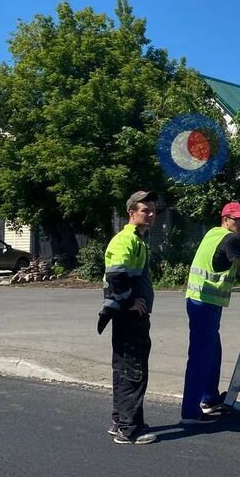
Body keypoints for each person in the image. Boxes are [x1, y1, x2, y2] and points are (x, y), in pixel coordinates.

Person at [181, 201, 240, 425]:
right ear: (225, 219)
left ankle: (210, 397)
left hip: (199, 301)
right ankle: (190, 412)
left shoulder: (214, 234)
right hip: (205, 303)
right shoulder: (231, 238)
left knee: (213, 352)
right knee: (201, 357)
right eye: (237, 219)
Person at [99, 190, 161, 445]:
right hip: (128, 316)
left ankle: (120, 420)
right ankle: (129, 429)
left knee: (126, 369)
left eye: (152, 210)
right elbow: (116, 276)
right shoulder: (126, 239)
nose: (150, 214)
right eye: (145, 210)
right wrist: (130, 302)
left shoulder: (137, 239)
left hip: (130, 315)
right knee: (132, 370)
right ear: (131, 213)